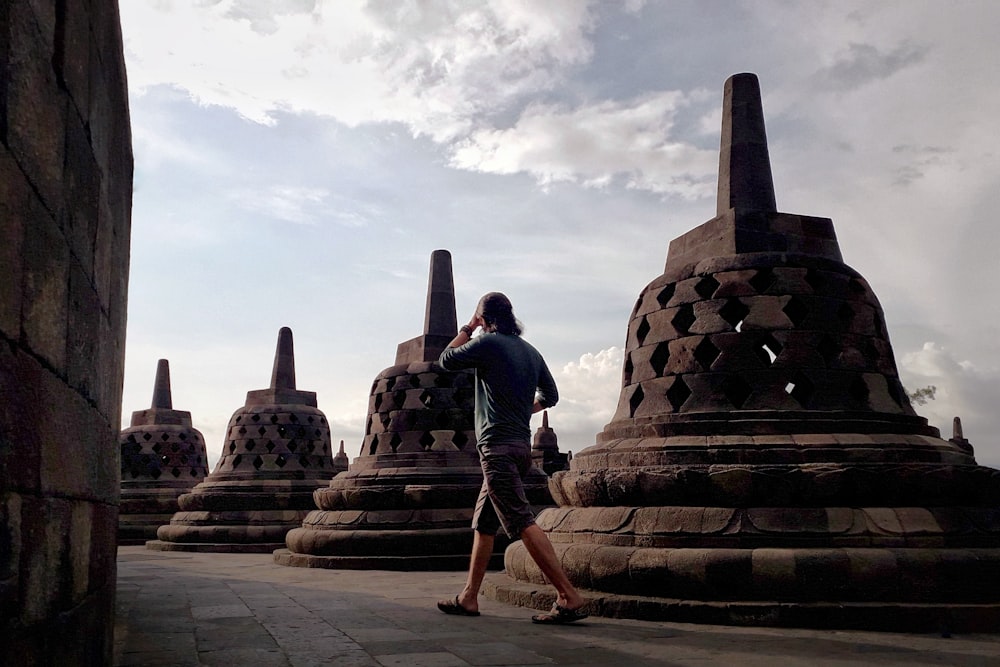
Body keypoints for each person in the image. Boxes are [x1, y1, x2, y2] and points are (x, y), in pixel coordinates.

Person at [435, 292, 588, 624]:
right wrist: (523, 410)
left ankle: (567, 595)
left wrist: (468, 326)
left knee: (521, 521)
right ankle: (469, 597)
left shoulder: (489, 343)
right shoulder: (531, 352)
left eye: (480, 319)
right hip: (519, 447)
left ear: (486, 319)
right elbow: (551, 396)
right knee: (485, 524)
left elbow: (445, 361)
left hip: (497, 449)